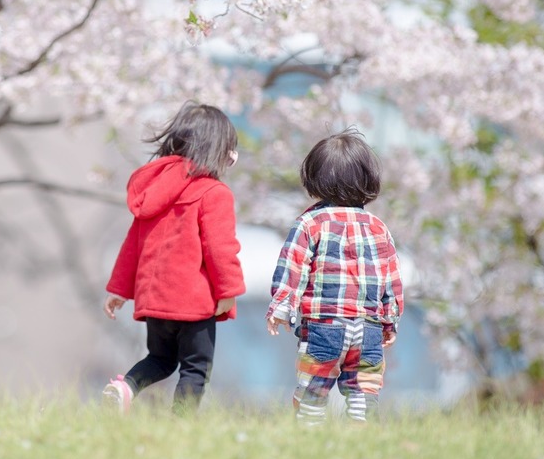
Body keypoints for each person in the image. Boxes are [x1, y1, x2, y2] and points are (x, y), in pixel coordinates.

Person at [102, 102, 246, 413]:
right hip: (193, 303)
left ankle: (126, 386)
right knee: (195, 370)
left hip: (155, 303)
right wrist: (228, 292)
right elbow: (221, 247)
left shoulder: (153, 191)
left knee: (160, 359)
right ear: (218, 150)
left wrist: (120, 290)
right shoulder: (214, 193)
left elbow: (133, 246)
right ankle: (182, 424)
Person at [266, 128, 403, 425]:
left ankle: (309, 439)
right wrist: (390, 321)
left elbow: (293, 268)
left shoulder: (310, 223)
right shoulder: (379, 227)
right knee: (363, 391)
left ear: (314, 179)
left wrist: (281, 307)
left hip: (323, 327)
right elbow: (390, 279)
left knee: (313, 391)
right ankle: (361, 438)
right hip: (367, 330)